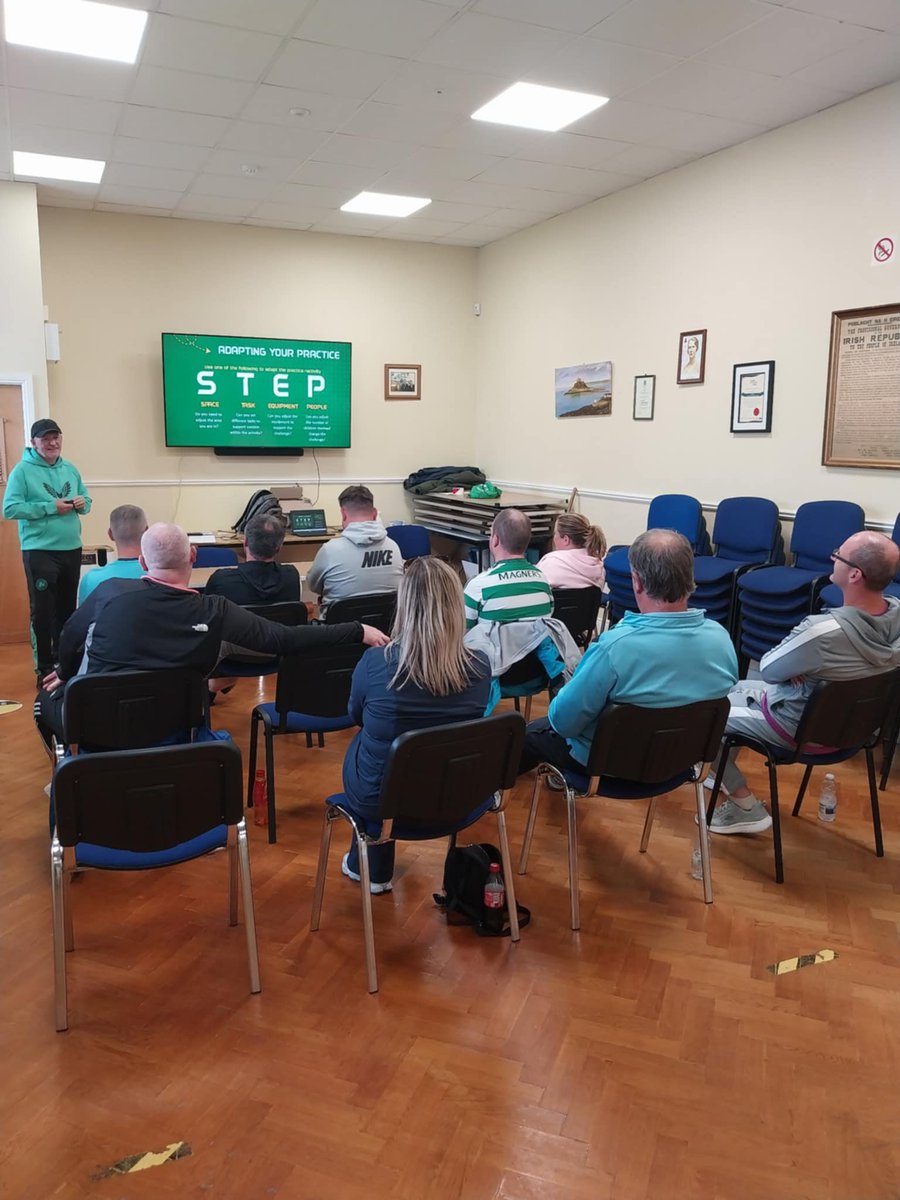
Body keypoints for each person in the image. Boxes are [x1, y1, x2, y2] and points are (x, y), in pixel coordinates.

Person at [35, 522, 388, 746]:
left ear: (142, 564)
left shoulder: (109, 591)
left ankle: (68, 771)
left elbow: (70, 636)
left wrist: (66, 673)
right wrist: (357, 630)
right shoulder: (215, 611)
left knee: (42, 704)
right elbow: (286, 639)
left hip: (98, 726)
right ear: (193, 556)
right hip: (173, 725)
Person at [707, 530, 900, 835]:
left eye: (839, 554)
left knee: (705, 714)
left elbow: (770, 668)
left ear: (854, 575)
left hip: (797, 729)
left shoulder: (822, 632)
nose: (832, 557)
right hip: (854, 730)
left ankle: (746, 808)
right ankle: (719, 774)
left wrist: (802, 665)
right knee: (733, 688)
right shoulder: (896, 620)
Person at [519, 529, 738, 776]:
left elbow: (563, 723)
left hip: (607, 767)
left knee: (529, 736)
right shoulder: (721, 639)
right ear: (689, 576)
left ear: (637, 582)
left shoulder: (614, 648)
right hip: (678, 763)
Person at [340, 557, 492, 893]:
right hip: (457, 795)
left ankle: (372, 866)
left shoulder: (376, 663)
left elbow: (355, 715)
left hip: (384, 802)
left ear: (405, 604)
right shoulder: (481, 666)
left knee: (368, 745)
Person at [2, 418, 92, 678]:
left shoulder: (70, 469)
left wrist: (81, 502)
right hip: (40, 551)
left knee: (67, 610)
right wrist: (50, 507)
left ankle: (64, 666)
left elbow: (87, 501)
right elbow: (9, 509)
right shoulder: (22, 471)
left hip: (71, 549)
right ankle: (43, 668)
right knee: (42, 611)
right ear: (34, 443)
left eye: (56, 437)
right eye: (45, 439)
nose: (52, 443)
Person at [463, 508, 569, 699]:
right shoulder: (543, 582)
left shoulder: (478, 586)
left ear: (494, 540)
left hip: (490, 678)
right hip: (536, 675)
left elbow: (462, 633)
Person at [307, 485, 402, 614]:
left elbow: (313, 586)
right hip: (386, 629)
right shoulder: (394, 547)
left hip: (341, 631)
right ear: (374, 513)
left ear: (343, 514)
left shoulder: (330, 550)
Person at [204, 511, 300, 605]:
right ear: (279, 547)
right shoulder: (291, 577)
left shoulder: (221, 581)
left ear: (245, 542)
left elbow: (207, 615)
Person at [78, 504, 148, 603]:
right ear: (146, 532)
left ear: (110, 534)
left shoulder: (91, 579)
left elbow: (84, 617)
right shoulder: (160, 576)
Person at [538, 512, 607, 590]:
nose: (554, 538)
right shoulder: (599, 568)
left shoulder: (551, 563)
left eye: (555, 534)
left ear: (565, 540)